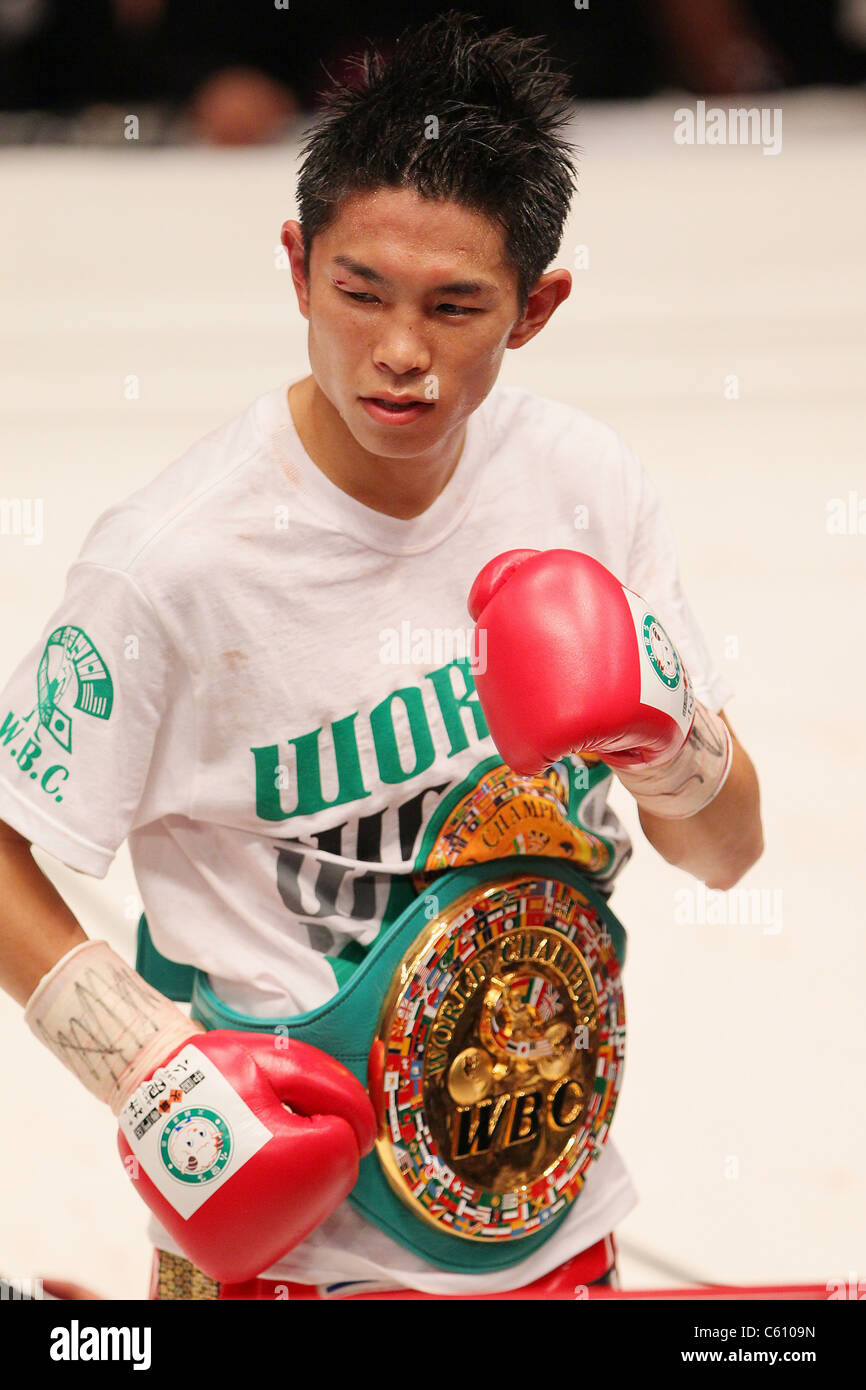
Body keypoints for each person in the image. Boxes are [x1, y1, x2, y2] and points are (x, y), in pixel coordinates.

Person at [0, 10, 763, 1301]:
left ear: (536, 307)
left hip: (551, 1212)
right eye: (360, 292)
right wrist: (145, 1059)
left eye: (455, 305)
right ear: (297, 268)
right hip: (284, 1256)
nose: (399, 351)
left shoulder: (582, 481)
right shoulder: (171, 561)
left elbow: (724, 851)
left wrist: (666, 733)